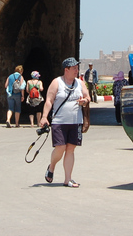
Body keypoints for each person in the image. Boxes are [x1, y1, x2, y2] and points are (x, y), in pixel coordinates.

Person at [39, 57, 90, 188]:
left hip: (75, 121)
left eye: (77, 68)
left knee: (71, 149)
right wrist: (44, 117)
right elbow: (49, 101)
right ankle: (52, 166)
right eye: (73, 68)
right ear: (66, 70)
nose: (76, 71)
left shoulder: (80, 83)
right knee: (60, 148)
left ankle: (68, 179)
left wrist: (84, 101)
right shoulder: (57, 83)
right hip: (59, 121)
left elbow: (87, 97)